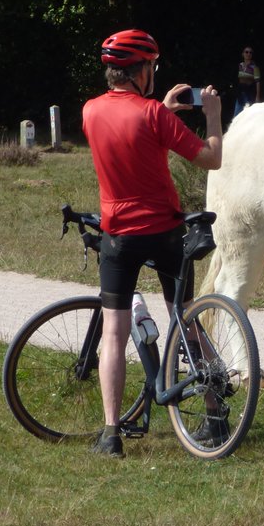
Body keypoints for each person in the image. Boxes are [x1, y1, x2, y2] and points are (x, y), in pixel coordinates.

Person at [81, 28, 223, 458]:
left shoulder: (90, 111)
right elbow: (211, 157)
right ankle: (215, 415)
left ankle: (110, 434)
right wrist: (213, 114)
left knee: (115, 331)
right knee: (186, 318)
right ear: (141, 70)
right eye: (152, 67)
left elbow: (130, 136)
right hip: (164, 232)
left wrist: (158, 109)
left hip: (118, 234)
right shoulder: (155, 117)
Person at [234, 45, 261, 117]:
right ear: (243, 54)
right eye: (246, 52)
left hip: (249, 93)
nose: (248, 54)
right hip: (240, 93)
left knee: (248, 116)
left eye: (250, 52)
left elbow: (257, 82)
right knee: (237, 115)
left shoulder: (255, 67)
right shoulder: (240, 65)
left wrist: (257, 97)